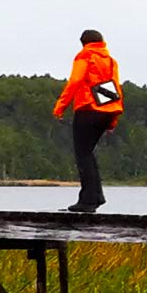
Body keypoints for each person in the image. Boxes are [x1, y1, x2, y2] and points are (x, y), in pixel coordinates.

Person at [53, 29, 123, 212]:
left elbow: (75, 81)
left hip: (88, 109)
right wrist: (113, 118)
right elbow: (115, 89)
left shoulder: (85, 56)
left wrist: (61, 106)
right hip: (107, 111)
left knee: (82, 154)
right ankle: (96, 197)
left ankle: (88, 200)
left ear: (83, 43)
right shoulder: (109, 61)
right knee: (88, 153)